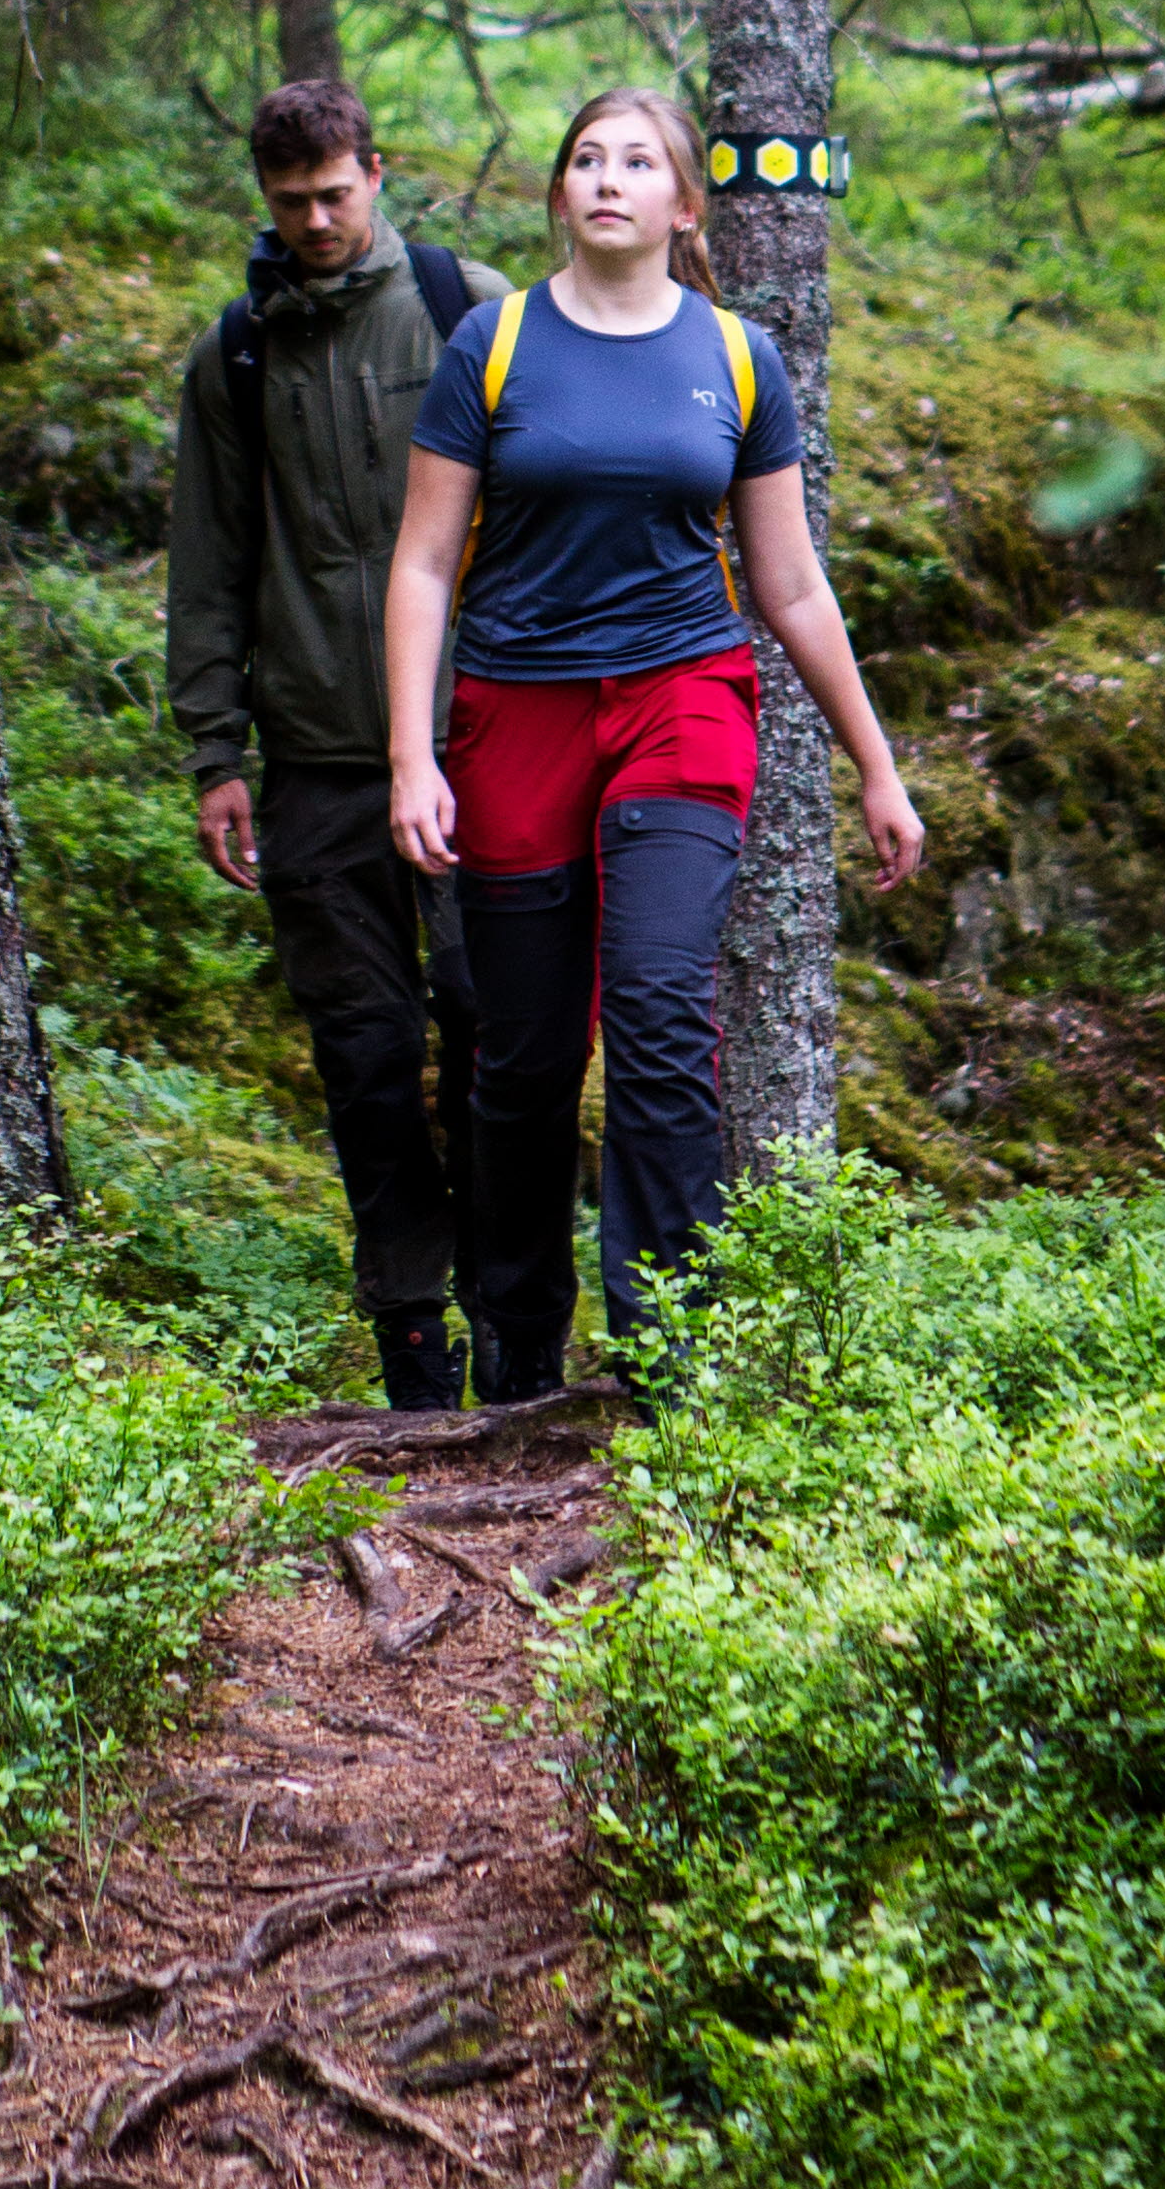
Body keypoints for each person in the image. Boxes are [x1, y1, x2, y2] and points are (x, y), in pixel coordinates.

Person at [384, 86, 925, 1397]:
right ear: (560, 194)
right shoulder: (490, 344)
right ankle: (515, 1349)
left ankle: (668, 1354)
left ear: (683, 205)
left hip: (683, 698)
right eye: (585, 159)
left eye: (637, 162)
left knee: (660, 1015)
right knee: (518, 1052)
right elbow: (422, 564)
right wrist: (413, 752)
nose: (607, 179)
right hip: (514, 710)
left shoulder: (738, 356)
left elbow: (789, 586)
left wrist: (875, 762)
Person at [168, 78, 516, 1409]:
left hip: (476, 747)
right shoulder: (238, 354)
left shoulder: (462, 307)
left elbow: (536, 511)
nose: (315, 220)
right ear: (264, 201)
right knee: (366, 1062)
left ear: (377, 172)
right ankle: (410, 1346)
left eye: (334, 192)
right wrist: (214, 752)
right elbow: (204, 563)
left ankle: (511, 1323)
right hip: (316, 765)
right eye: (289, 203)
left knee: (494, 1036)